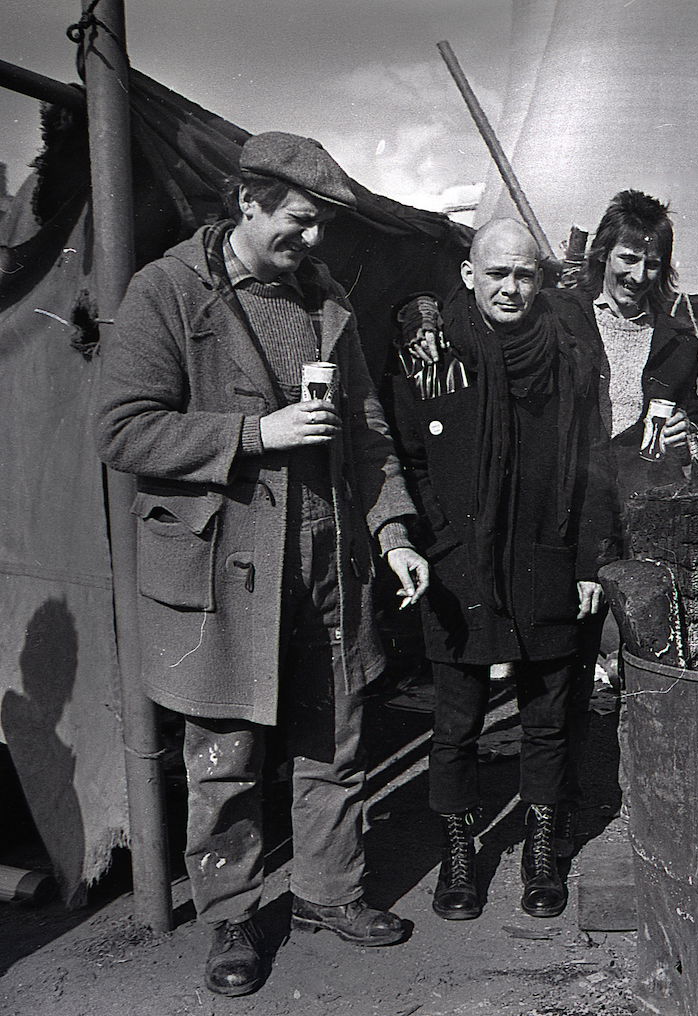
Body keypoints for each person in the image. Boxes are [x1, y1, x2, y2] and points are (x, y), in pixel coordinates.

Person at [95, 133, 430, 997]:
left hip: (327, 561)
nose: (312, 242)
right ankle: (233, 915)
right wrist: (252, 435)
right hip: (225, 569)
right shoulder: (168, 292)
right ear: (246, 201)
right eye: (298, 222)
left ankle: (327, 891)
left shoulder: (326, 304)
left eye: (319, 226)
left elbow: (367, 432)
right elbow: (122, 430)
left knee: (337, 735)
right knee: (227, 754)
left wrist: (393, 533)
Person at [389, 218, 615, 923]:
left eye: (523, 274)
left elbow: (591, 468)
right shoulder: (430, 359)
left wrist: (586, 564)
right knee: (456, 723)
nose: (511, 288)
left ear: (539, 279)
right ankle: (459, 852)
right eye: (497, 274)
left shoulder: (569, 354)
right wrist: (445, 542)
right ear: (469, 274)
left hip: (545, 559)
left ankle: (540, 849)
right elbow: (411, 460)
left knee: (547, 718)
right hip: (461, 567)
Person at [543, 189, 698, 501]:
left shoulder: (678, 342)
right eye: (628, 259)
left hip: (641, 508)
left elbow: (695, 427)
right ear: (603, 253)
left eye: (652, 264)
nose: (639, 276)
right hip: (568, 502)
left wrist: (687, 435)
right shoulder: (559, 314)